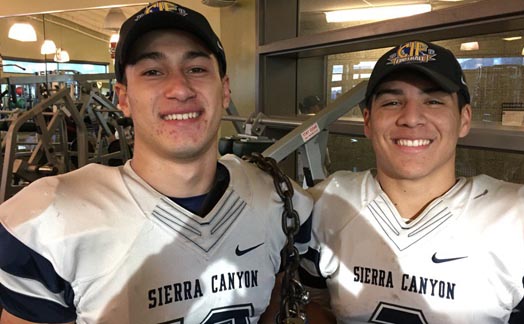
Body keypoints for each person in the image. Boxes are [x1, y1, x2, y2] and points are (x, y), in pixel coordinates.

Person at [0, 2, 312, 323]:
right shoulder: (50, 220)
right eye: (153, 72)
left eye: (196, 69)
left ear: (225, 90)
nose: (179, 88)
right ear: (123, 98)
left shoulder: (277, 200)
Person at [299, 40, 524, 323]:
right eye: (392, 102)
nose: (411, 118)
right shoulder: (325, 205)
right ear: (368, 121)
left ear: (464, 119)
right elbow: (316, 306)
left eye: (433, 101)